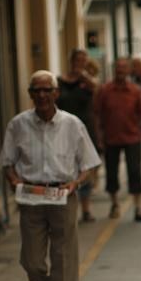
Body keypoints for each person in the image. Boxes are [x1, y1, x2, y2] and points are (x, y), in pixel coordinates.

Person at [0, 71, 100, 281]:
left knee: (63, 257)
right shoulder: (18, 124)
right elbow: (7, 162)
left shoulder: (72, 124)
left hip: (62, 195)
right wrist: (15, 181)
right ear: (30, 94)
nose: (42, 95)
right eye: (37, 91)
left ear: (56, 93)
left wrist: (75, 184)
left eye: (47, 90)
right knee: (31, 262)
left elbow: (88, 163)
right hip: (31, 197)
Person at [94, 58, 141, 221]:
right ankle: (114, 204)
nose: (120, 70)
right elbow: (97, 114)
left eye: (124, 68)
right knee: (111, 173)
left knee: (135, 172)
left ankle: (138, 206)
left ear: (128, 71)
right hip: (110, 138)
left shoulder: (135, 90)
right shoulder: (105, 90)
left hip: (132, 136)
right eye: (118, 68)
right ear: (114, 70)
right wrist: (99, 137)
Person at [57, 48, 99, 223]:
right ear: (71, 60)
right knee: (66, 167)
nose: (79, 63)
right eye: (77, 59)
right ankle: (67, 206)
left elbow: (96, 90)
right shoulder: (59, 81)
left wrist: (83, 76)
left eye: (83, 60)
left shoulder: (88, 82)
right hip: (63, 130)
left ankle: (86, 208)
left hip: (84, 129)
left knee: (85, 167)